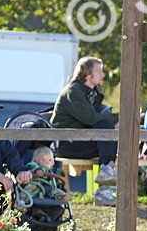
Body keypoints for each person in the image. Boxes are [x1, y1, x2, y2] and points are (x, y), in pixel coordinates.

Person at [51, 56, 118, 190]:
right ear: (87, 74)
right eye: (99, 71)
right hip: (66, 143)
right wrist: (120, 118)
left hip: (80, 139)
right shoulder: (73, 91)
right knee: (107, 131)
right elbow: (92, 118)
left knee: (111, 138)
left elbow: (100, 119)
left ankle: (105, 183)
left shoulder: (92, 93)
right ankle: (104, 185)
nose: (102, 74)